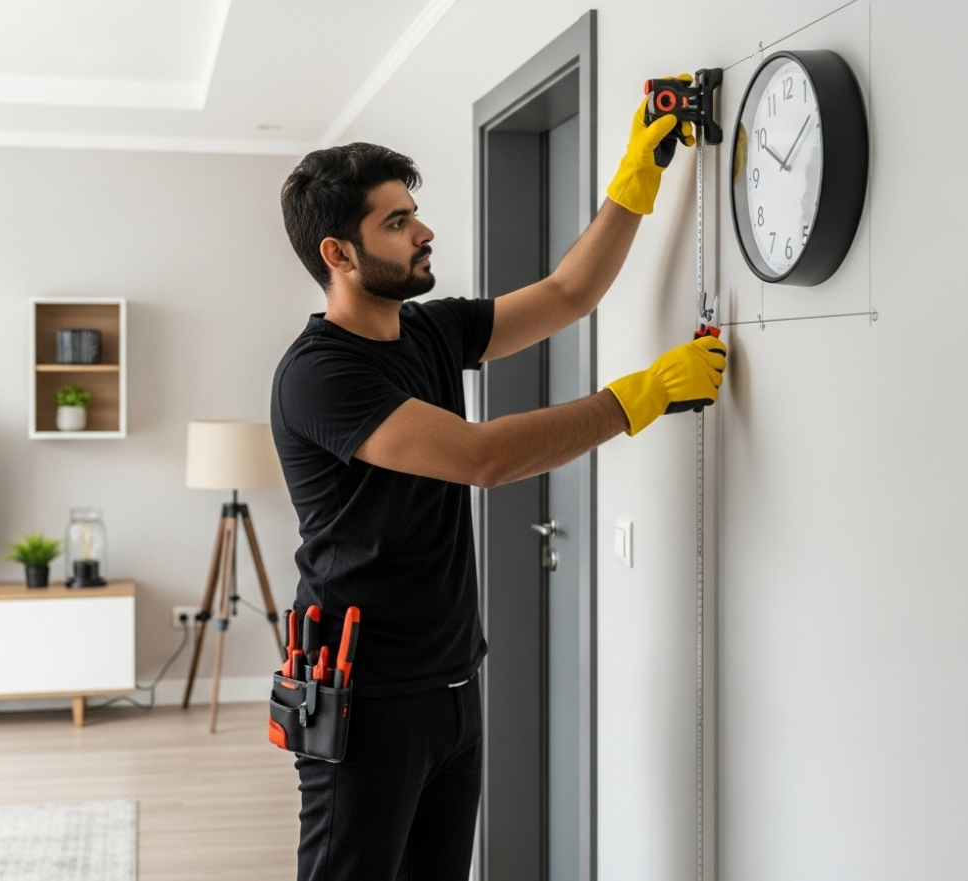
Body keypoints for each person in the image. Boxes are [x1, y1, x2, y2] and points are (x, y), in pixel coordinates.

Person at [271, 96, 726, 881]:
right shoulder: (319, 375)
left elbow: (566, 295)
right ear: (338, 254)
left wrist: (635, 178)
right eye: (396, 222)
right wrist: (637, 397)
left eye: (415, 213)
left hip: (452, 681)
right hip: (364, 698)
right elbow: (481, 457)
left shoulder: (430, 331)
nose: (424, 231)